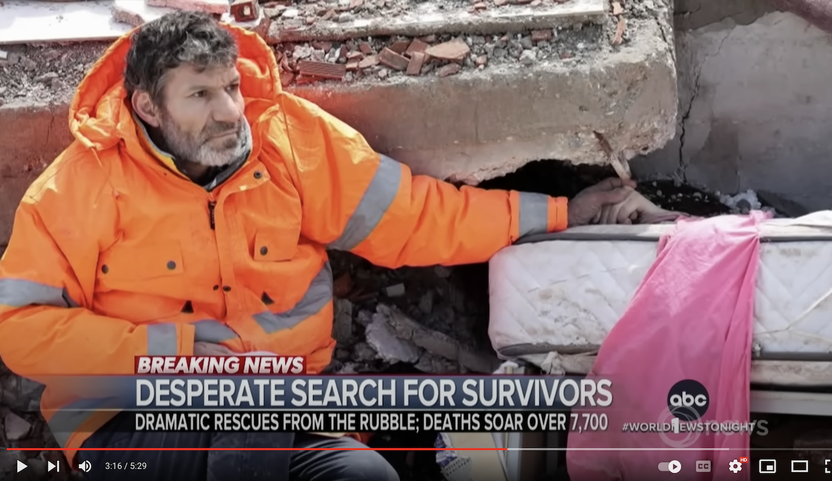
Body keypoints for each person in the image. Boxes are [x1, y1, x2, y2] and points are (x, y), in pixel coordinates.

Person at [0, 12, 640, 481]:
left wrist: (558, 212)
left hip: (280, 406)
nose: (229, 111)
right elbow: (19, 330)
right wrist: (170, 350)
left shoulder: (288, 143)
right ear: (146, 106)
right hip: (128, 423)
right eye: (200, 95)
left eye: (229, 87)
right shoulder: (76, 189)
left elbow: (416, 218)